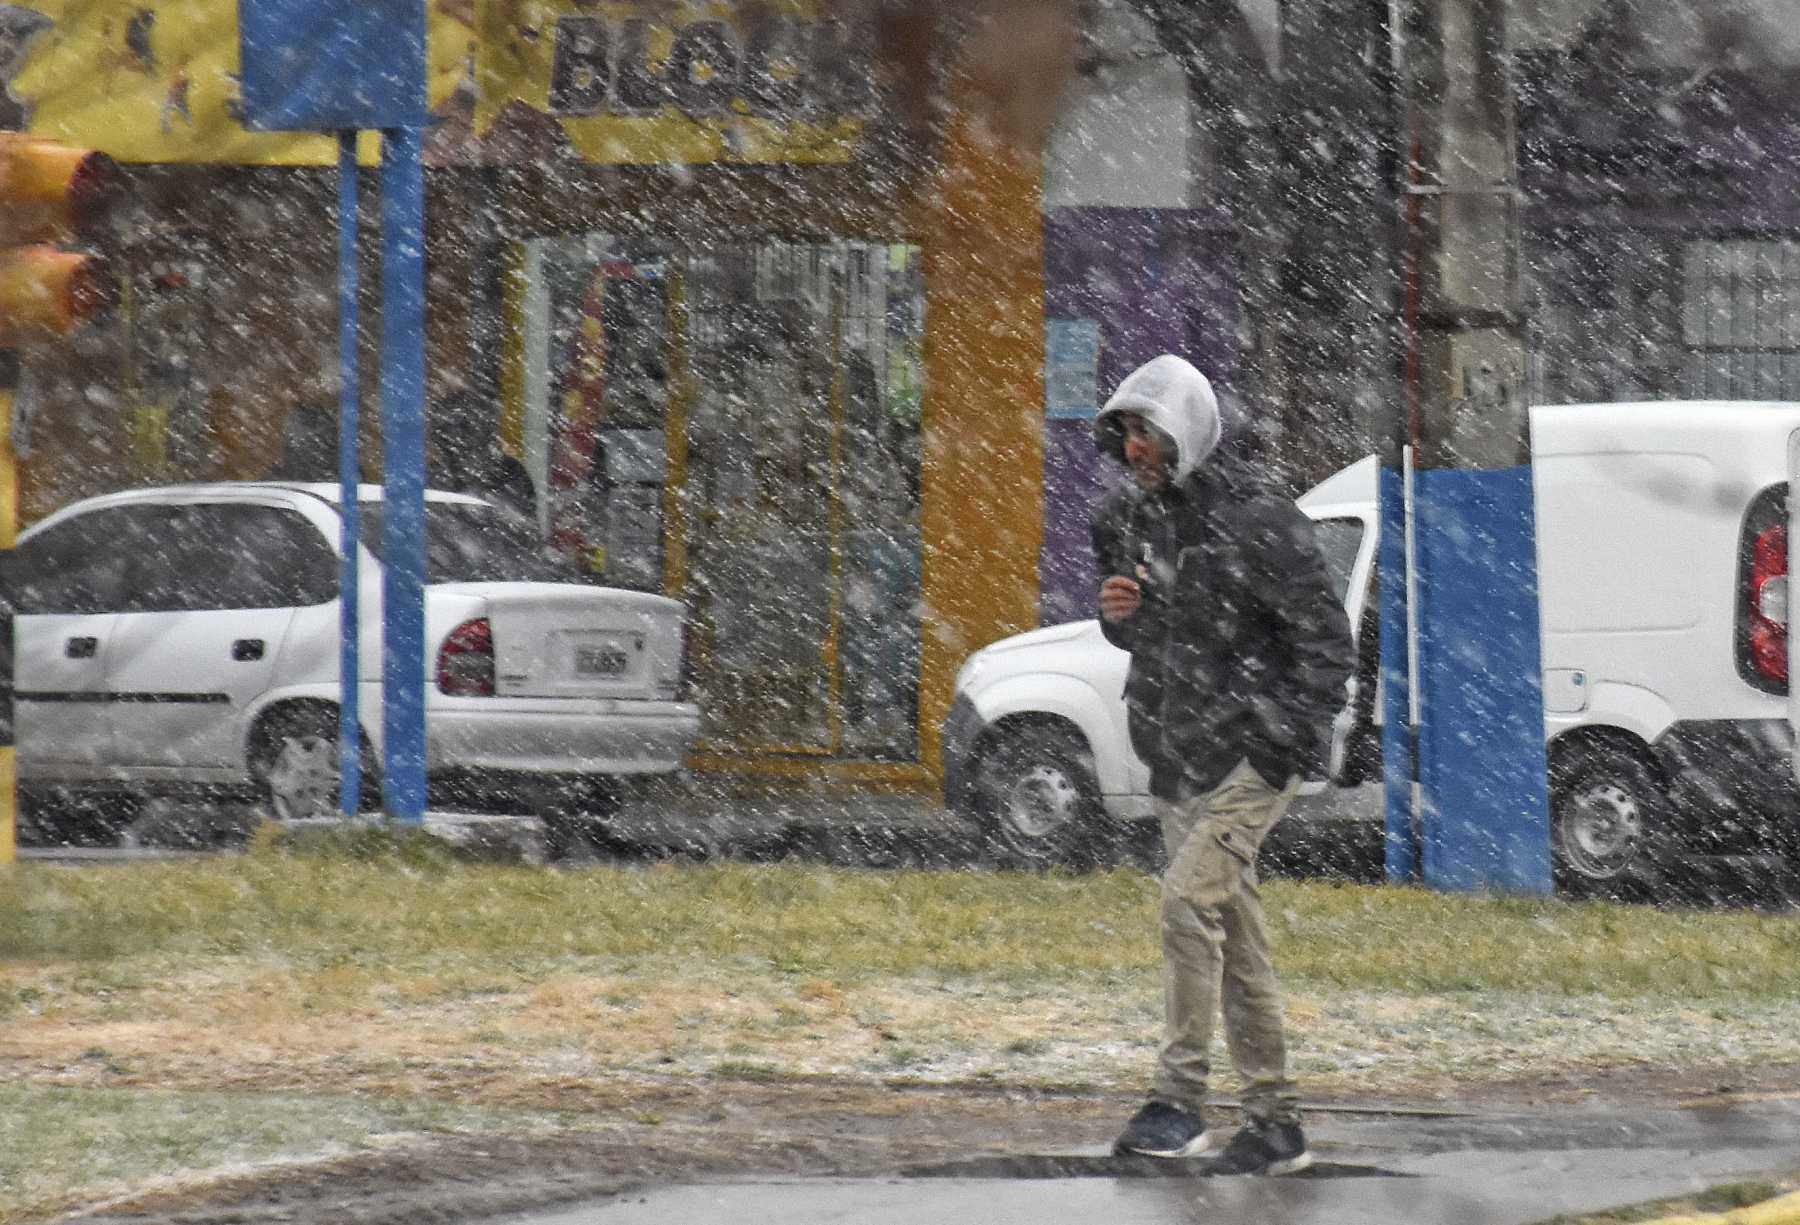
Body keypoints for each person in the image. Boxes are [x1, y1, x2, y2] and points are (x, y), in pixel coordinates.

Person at [1091, 354, 1354, 1174]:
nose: (1137, 451)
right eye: (1127, 434)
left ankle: (1177, 1101)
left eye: (1150, 433)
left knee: (1185, 904)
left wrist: (1277, 736)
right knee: (1235, 938)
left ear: (1190, 433)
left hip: (1248, 757)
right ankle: (1275, 1123)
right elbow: (1158, 635)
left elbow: (1327, 645)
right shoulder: (1135, 522)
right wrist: (1122, 618)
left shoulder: (1258, 520)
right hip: (1180, 755)